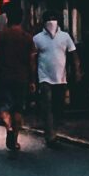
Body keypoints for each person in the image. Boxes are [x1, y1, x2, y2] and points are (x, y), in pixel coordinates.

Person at [0, 2, 36, 153]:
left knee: (4, 106)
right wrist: (32, 80)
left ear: (8, 18)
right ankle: (15, 138)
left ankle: (8, 127)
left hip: (4, 76)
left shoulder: (1, 35)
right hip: (22, 78)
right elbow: (31, 61)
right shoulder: (27, 38)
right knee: (18, 109)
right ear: (21, 19)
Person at [32, 14, 78, 146]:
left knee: (58, 106)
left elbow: (73, 54)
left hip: (61, 78)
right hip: (44, 78)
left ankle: (54, 130)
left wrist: (76, 71)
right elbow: (33, 59)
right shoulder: (37, 39)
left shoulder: (65, 37)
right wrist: (33, 77)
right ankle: (50, 136)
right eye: (48, 19)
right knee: (47, 105)